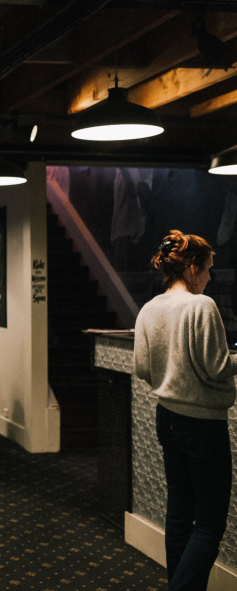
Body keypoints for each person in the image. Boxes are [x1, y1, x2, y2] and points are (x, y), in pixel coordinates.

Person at [133, 230, 236, 591]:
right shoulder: (200, 306)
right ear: (192, 268)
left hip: (168, 418)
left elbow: (142, 368)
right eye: (207, 269)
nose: (209, 277)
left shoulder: (149, 308)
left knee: (179, 511)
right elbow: (217, 368)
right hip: (203, 425)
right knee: (209, 524)